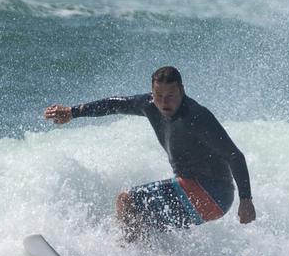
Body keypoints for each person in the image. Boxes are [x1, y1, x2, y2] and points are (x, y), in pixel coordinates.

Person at [43, 66, 256, 242]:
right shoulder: (149, 105)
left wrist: (245, 199)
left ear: (182, 90)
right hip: (192, 188)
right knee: (141, 221)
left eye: (171, 96)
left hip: (213, 193)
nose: (164, 103)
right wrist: (73, 112)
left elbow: (235, 156)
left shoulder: (196, 116)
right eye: (159, 96)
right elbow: (115, 105)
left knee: (127, 200)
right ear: (152, 93)